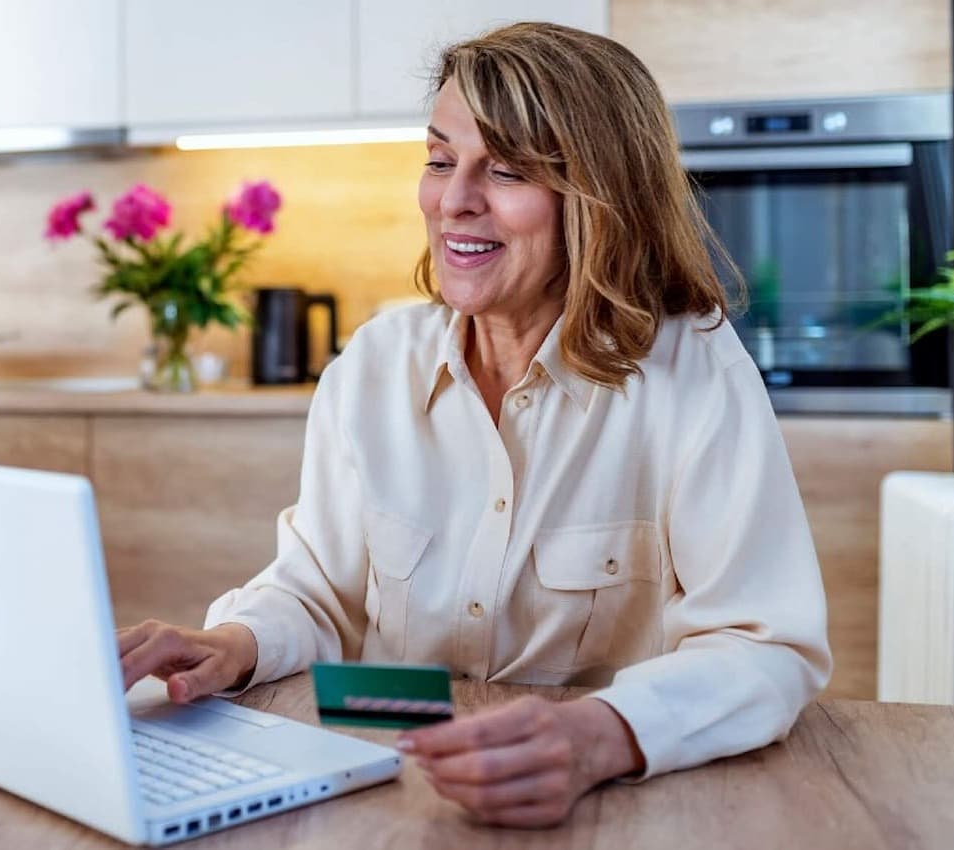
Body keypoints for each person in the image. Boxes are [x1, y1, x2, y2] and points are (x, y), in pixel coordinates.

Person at [117, 22, 832, 828]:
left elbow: (768, 646)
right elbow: (318, 593)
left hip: (599, 807)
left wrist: (602, 734)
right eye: (439, 159)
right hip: (392, 787)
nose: (454, 198)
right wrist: (237, 642)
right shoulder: (374, 366)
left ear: (600, 196)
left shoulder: (692, 371)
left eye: (508, 170)